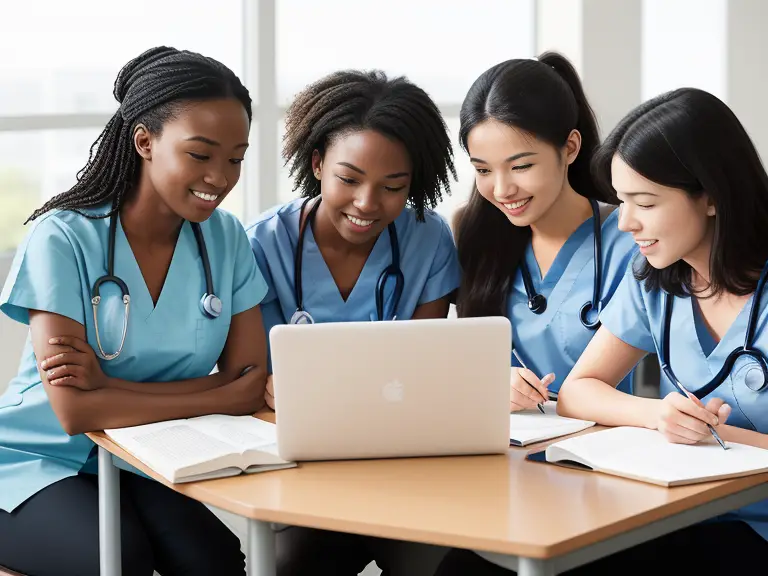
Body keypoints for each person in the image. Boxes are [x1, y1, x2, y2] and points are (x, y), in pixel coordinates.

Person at [442, 87, 768, 575]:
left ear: (711, 198)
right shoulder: (658, 281)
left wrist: (723, 436)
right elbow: (579, 392)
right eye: (622, 201)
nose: (627, 223)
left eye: (646, 202)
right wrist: (660, 415)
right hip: (680, 512)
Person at [0, 47, 269, 576]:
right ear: (145, 141)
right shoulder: (63, 236)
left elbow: (247, 384)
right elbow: (74, 414)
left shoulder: (227, 239)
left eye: (235, 158)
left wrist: (109, 391)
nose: (220, 176)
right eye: (200, 154)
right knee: (119, 561)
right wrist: (215, 396)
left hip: (146, 459)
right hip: (36, 458)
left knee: (214, 562)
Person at [246, 69, 459, 575]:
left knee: (442, 564)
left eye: (393, 187)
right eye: (349, 179)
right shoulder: (260, 246)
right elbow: (252, 380)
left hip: (404, 463)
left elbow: (426, 367)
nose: (368, 203)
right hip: (303, 467)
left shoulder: (428, 240)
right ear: (317, 163)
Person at [453, 51, 637, 413]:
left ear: (569, 148)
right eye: (484, 170)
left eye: (520, 166)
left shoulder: (630, 238)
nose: (502, 189)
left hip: (595, 447)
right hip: (497, 444)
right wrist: (487, 379)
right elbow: (449, 360)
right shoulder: (472, 232)